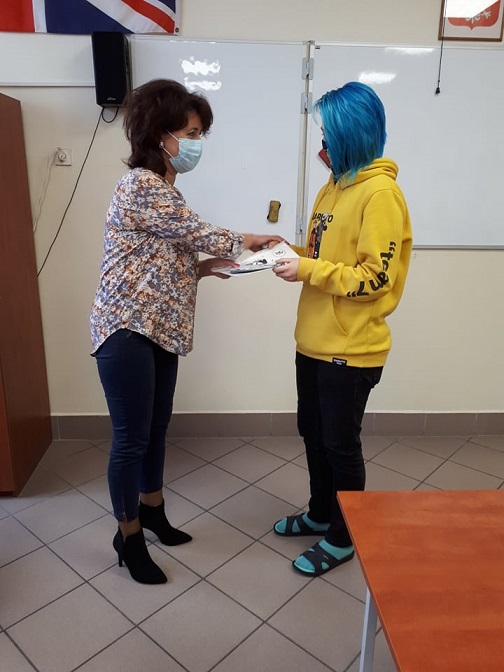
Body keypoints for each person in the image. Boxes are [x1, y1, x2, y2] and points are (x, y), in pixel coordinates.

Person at [90, 79, 284, 585]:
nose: (198, 143)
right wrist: (248, 240)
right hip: (127, 329)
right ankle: (128, 536)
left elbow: (156, 261)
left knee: (156, 430)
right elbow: (196, 231)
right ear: (161, 135)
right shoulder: (140, 185)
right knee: (131, 440)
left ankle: (152, 510)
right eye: (191, 133)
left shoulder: (166, 191)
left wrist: (201, 268)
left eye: (200, 134)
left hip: (159, 329)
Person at [272, 82, 412, 577]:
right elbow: (323, 257)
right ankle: (320, 512)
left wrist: (307, 269)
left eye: (329, 135)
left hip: (351, 350)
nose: (322, 146)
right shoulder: (333, 187)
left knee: (340, 444)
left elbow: (375, 278)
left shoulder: (381, 195)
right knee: (312, 432)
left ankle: (343, 536)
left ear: (352, 134)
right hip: (312, 341)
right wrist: (286, 254)